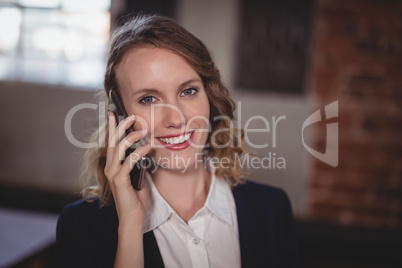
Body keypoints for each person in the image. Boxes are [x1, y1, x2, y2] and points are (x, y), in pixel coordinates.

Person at [56, 14, 298, 268]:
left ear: (209, 96)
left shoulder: (272, 208)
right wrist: (130, 226)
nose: (176, 118)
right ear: (121, 114)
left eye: (188, 91)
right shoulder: (81, 225)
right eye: (149, 99)